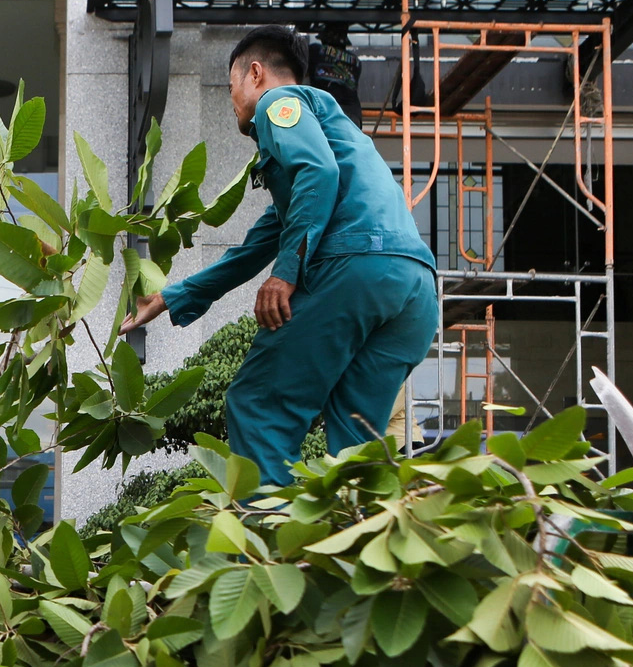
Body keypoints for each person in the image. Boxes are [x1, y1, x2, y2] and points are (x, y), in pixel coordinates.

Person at [121, 24, 439, 486]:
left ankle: (265, 541)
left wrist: (286, 274)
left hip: (355, 267)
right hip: (414, 286)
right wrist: (173, 296)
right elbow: (259, 243)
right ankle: (357, 545)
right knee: (358, 442)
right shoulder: (335, 133)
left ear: (255, 74)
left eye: (230, 87)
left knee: (257, 405)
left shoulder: (280, 102)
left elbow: (316, 171)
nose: (231, 100)